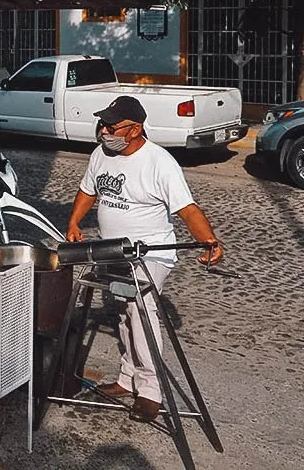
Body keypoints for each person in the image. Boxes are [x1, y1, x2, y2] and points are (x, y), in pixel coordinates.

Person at [65, 95, 224, 424]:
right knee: (122, 312)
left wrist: (208, 241)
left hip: (150, 252)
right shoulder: (101, 154)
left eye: (112, 126)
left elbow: (187, 208)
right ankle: (127, 379)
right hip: (113, 251)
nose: (104, 131)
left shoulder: (159, 162)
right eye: (103, 125)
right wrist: (74, 222)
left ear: (135, 129)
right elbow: (88, 190)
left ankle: (151, 392)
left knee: (140, 312)